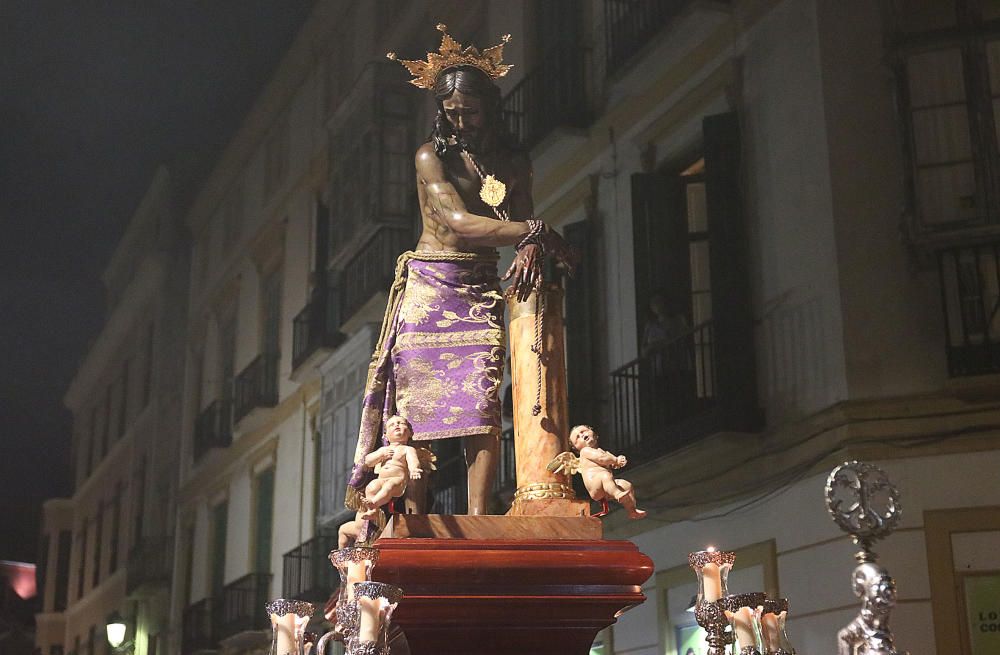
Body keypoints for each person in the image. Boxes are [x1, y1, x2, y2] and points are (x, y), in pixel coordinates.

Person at [345, 25, 577, 516]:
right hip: (432, 283)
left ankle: (478, 514)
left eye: (470, 112)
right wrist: (534, 230)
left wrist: (530, 248)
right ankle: (412, 512)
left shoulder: (514, 161)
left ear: (490, 107)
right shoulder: (431, 156)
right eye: (452, 113)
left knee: (481, 398)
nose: (462, 122)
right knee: (419, 405)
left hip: (479, 284)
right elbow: (457, 220)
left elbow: (520, 219)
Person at [567, 425, 646, 519]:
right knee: (604, 475)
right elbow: (601, 458)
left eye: (584, 431)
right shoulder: (585, 451)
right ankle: (617, 494)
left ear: (595, 435)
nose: (582, 435)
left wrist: (616, 463)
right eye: (578, 437)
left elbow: (608, 461)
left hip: (607, 485)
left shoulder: (602, 451)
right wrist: (616, 460)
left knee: (626, 485)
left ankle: (632, 510)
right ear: (576, 448)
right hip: (595, 485)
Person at [359, 416, 424, 519]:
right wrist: (381, 455)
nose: (397, 425)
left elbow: (413, 461)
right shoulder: (383, 449)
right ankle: (373, 511)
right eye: (392, 425)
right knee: (371, 487)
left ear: (409, 433)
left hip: (398, 480)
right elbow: (368, 461)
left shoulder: (407, 449)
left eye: (401, 423)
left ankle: (374, 503)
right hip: (382, 479)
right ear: (386, 436)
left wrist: (414, 469)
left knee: (389, 486)